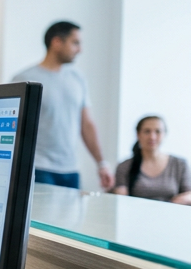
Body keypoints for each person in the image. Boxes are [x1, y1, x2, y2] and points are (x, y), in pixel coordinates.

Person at [10, 21, 114, 190]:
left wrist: (101, 163)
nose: (80, 49)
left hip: (71, 170)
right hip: (38, 168)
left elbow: (87, 124)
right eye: (75, 43)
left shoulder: (77, 79)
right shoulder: (25, 79)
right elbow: (14, 127)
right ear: (57, 42)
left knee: (71, 217)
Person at [113, 116, 191, 204]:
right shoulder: (125, 166)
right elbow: (120, 196)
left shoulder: (179, 164)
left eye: (158, 131)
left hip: (171, 214)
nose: (152, 137)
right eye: (147, 131)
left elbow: (188, 194)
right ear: (138, 134)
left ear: (164, 134)